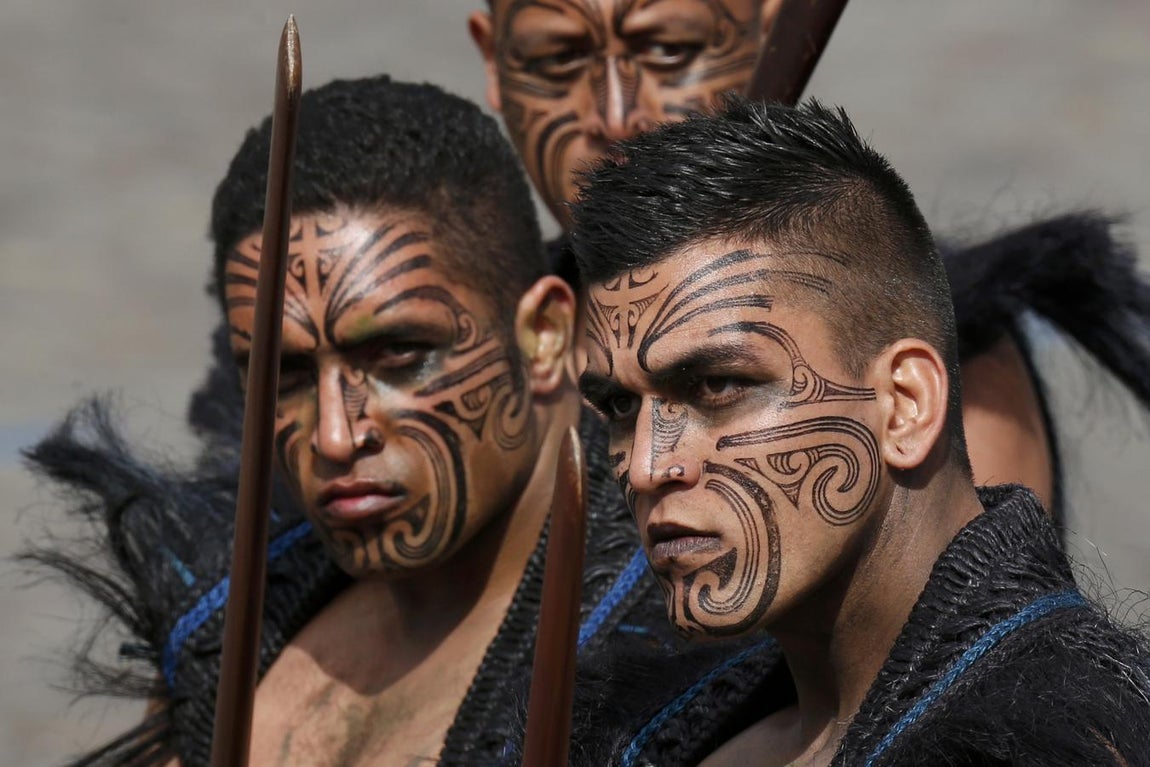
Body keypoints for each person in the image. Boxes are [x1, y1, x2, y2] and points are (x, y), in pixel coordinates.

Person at [25, 75, 667, 766]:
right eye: (285, 375)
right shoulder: (224, 624)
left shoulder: (666, 669)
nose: (335, 435)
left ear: (544, 335)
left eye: (398, 354)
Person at [562, 96, 1150, 766]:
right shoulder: (649, 725)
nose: (645, 465)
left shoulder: (1059, 747)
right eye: (618, 407)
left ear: (905, 404)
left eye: (719, 386)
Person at [466, 0, 1150, 545]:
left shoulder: (930, 348)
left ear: (774, 28)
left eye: (669, 49)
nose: (614, 117)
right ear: (493, 59)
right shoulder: (460, 352)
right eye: (557, 58)